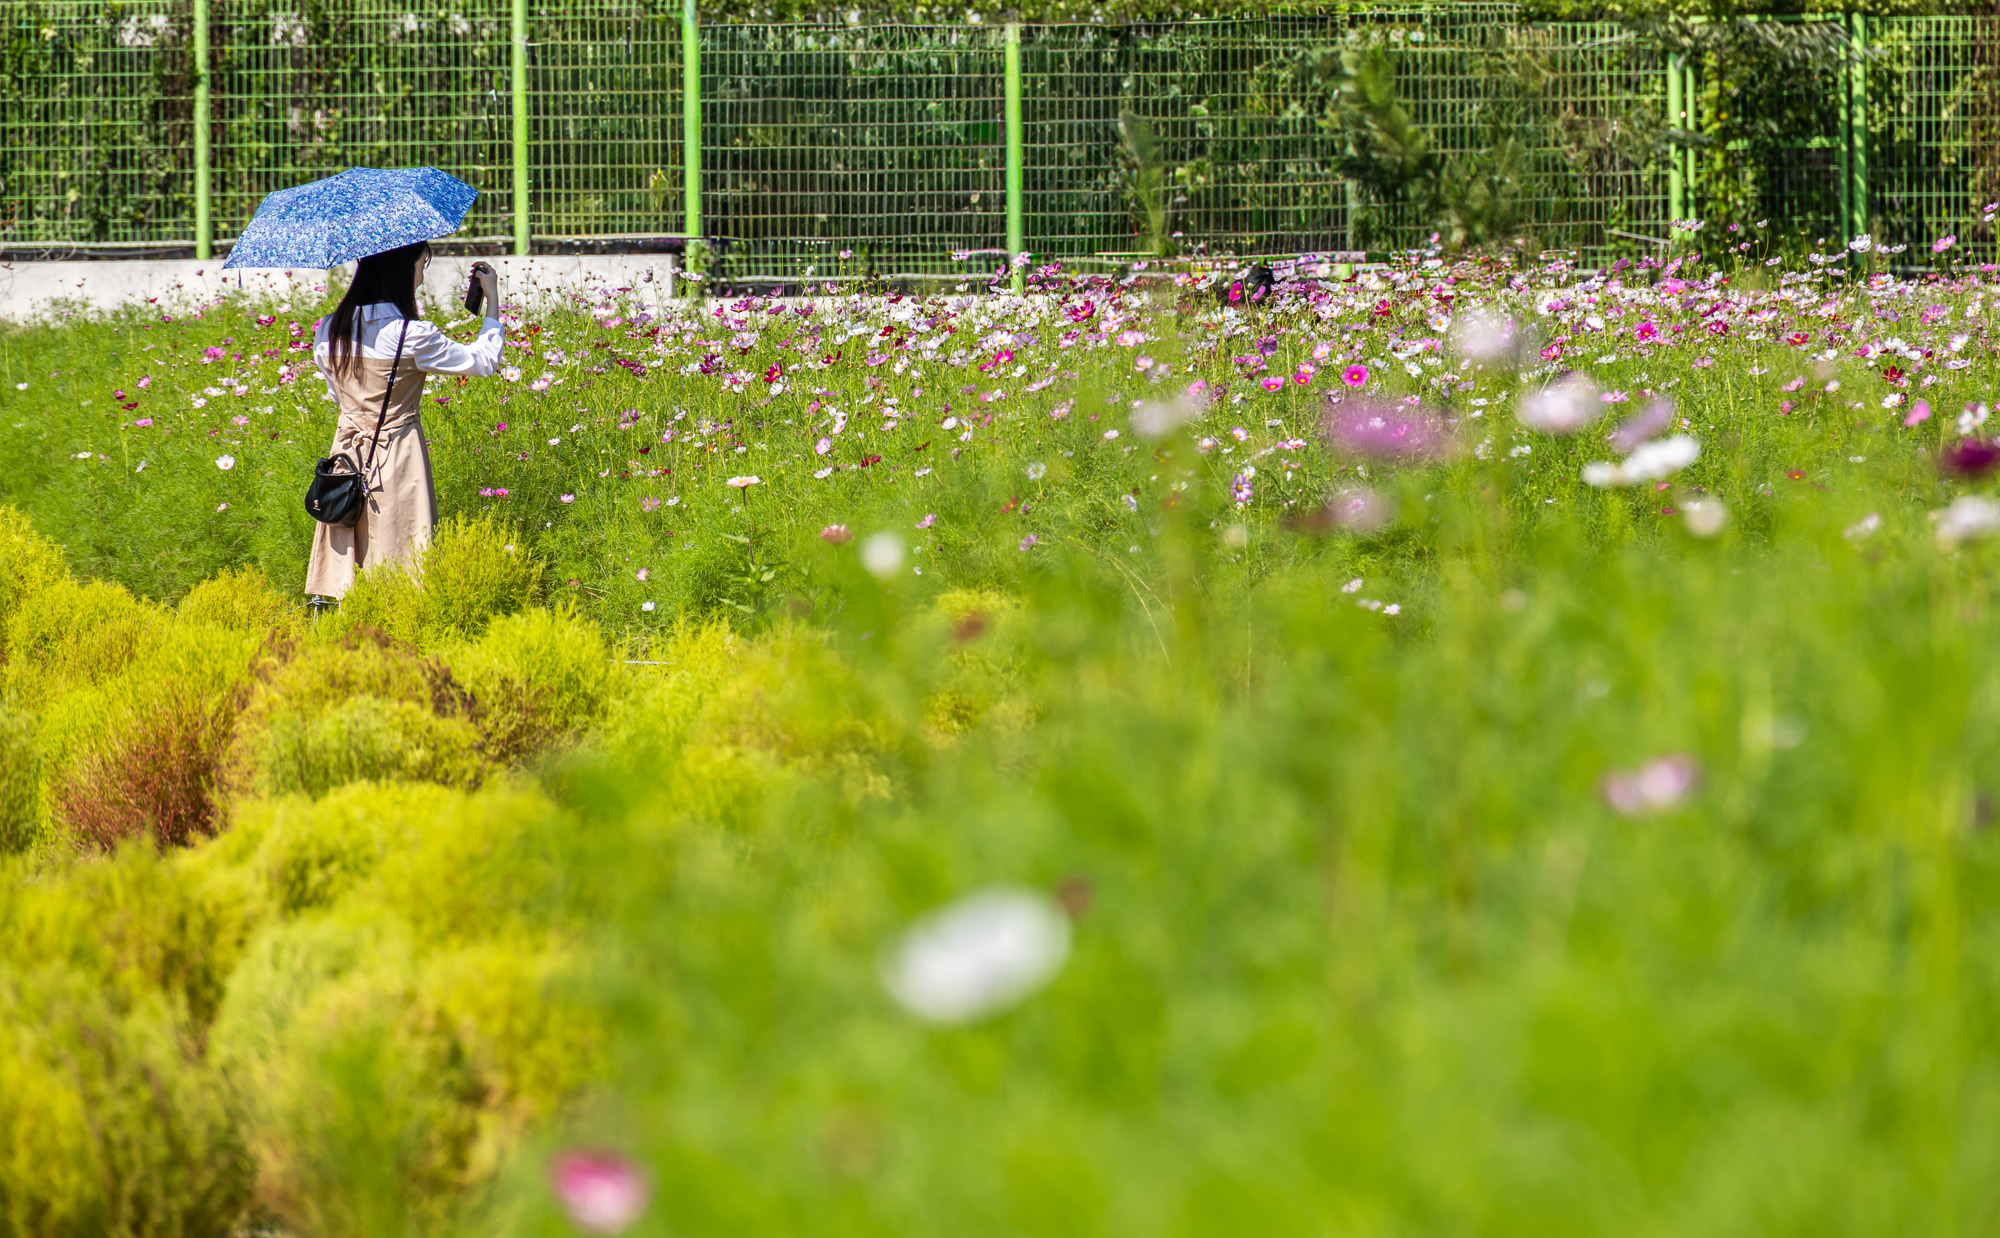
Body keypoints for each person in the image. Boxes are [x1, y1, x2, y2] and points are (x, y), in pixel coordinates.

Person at [304, 240, 503, 601]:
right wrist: (492, 304)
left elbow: (339, 395)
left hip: (345, 453)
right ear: (402, 269)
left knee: (349, 538)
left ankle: (348, 630)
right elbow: (483, 362)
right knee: (401, 549)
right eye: (421, 266)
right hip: (396, 451)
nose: (422, 278)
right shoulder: (409, 334)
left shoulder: (329, 328)